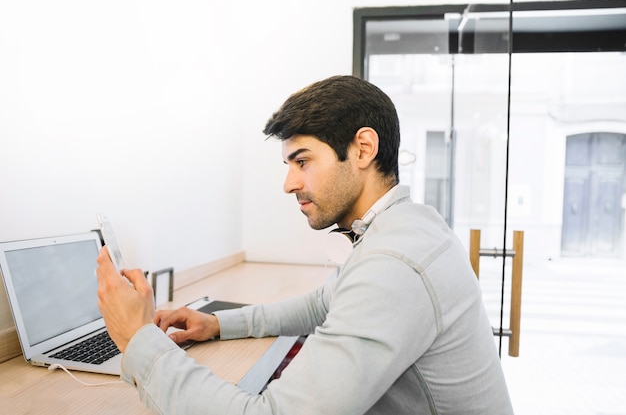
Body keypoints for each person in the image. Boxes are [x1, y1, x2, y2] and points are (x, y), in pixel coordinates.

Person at [97, 75, 514, 415]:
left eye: (302, 161)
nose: (289, 183)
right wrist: (220, 324)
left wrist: (138, 340)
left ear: (363, 149)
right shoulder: (408, 225)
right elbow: (322, 305)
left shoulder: (393, 263)